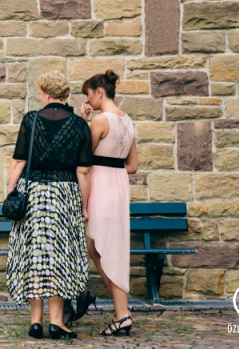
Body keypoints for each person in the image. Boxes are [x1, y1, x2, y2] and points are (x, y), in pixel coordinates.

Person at [6, 71, 93, 340]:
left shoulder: (30, 120)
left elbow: (18, 161)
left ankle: (36, 321)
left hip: (32, 193)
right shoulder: (80, 125)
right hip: (64, 195)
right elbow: (84, 172)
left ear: (44, 93)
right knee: (58, 258)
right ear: (65, 95)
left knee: (35, 257)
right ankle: (57, 322)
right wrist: (84, 206)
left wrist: (11, 191)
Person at [80, 70, 138, 337]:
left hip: (102, 189)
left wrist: (83, 120)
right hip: (119, 188)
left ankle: (122, 313)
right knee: (100, 249)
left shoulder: (101, 121)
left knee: (103, 250)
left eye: (89, 96)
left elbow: (83, 158)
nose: (88, 101)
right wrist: (113, 170)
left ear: (99, 92)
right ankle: (121, 311)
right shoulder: (128, 122)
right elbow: (132, 166)